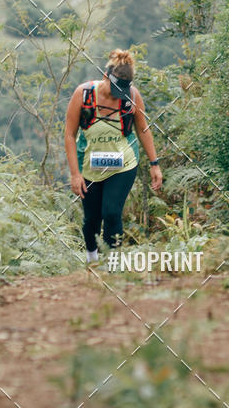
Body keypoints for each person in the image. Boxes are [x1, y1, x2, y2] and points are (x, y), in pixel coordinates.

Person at [64, 49, 162, 263]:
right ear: (105, 76)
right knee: (91, 218)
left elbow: (143, 130)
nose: (120, 94)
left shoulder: (132, 97)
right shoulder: (83, 94)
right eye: (116, 88)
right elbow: (70, 135)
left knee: (111, 212)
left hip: (123, 164)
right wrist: (74, 174)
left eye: (124, 90)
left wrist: (155, 164)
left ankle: (112, 264)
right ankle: (92, 260)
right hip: (89, 165)